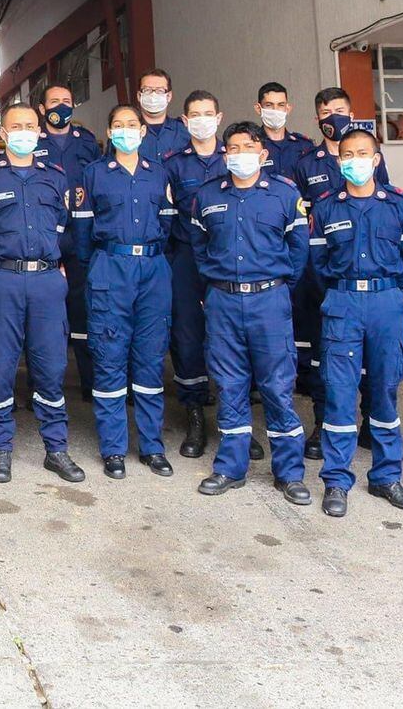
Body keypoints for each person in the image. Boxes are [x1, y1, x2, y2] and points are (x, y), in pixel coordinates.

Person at [188, 121, 312, 506]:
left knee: (276, 386)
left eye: (247, 146)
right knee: (228, 385)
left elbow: (298, 250)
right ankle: (230, 468)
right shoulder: (206, 196)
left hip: (269, 301)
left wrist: (275, 290)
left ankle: (289, 474)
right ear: (224, 155)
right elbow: (198, 247)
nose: (239, 153)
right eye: (233, 148)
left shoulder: (284, 195)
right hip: (223, 301)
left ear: (262, 154)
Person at [307, 128, 403, 517]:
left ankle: (386, 476)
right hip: (342, 301)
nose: (354, 160)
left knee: (385, 390)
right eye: (347, 154)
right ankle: (336, 481)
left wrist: (389, 291)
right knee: (339, 392)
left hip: (387, 301)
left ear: (375, 160)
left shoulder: (399, 206)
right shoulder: (324, 208)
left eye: (362, 154)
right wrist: (345, 291)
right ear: (339, 161)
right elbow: (318, 266)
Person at [0, 104, 83, 484]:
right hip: (1, 280)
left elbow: (65, 229)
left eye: (30, 126)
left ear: (40, 132)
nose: (24, 132)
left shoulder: (55, 178)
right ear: (3, 132)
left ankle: (56, 448)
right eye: (16, 126)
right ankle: (1, 448)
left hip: (47, 282)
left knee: (51, 367)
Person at [72, 105, 176, 479]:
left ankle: (151, 447)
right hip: (109, 267)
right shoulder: (93, 174)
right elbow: (82, 233)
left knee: (150, 357)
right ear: (110, 131)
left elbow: (166, 224)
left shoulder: (158, 174)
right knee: (110, 355)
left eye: (132, 125)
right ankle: (114, 449)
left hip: (152, 268)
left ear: (143, 132)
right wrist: (98, 266)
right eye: (119, 125)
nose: (126, 131)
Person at [292, 86, 391, 457]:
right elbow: (301, 222)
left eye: (337, 109)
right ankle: (323, 425)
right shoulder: (305, 163)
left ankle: (368, 422)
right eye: (323, 111)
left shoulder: (371, 155)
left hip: (368, 273)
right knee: (323, 357)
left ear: (351, 112)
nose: (330, 115)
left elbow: (388, 211)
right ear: (317, 118)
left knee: (370, 357)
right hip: (324, 277)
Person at [162, 90, 227, 458]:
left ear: (218, 117)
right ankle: (195, 416)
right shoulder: (173, 164)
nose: (202, 119)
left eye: (208, 112)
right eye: (194, 114)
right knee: (188, 338)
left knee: (229, 337)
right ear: (184, 121)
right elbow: (166, 218)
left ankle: (233, 422)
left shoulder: (234, 157)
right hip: (186, 259)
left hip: (227, 259)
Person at [33, 81, 100, 401]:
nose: (61, 106)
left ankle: (90, 382)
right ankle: (42, 387)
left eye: (67, 101)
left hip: (82, 236)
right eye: (54, 101)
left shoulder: (86, 142)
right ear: (42, 109)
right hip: (43, 237)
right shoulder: (31, 140)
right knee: (43, 315)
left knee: (83, 311)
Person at [132, 69, 190, 164]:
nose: (153, 95)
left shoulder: (184, 130)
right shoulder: (127, 132)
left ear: (169, 96)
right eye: (147, 90)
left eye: (160, 90)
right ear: (139, 95)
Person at [255, 81, 313, 176]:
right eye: (269, 105)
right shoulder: (251, 146)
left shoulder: (304, 145)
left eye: (280, 105)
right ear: (258, 108)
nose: (275, 110)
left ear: (288, 109)